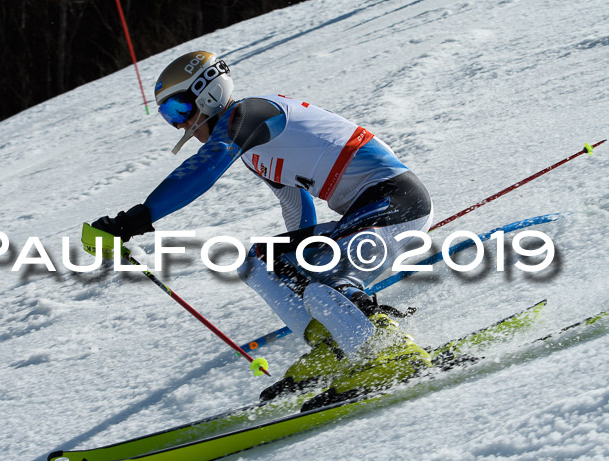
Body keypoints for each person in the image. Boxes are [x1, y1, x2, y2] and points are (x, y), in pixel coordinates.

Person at [88, 51, 434, 406]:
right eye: (167, 116)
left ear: (207, 93)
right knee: (259, 262)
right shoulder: (255, 148)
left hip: (396, 203)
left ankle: (388, 351)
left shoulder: (251, 115)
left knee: (323, 289)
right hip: (367, 211)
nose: (178, 125)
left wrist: (133, 220)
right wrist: (301, 264)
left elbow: (206, 166)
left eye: (178, 109)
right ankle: (334, 344)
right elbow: (296, 206)